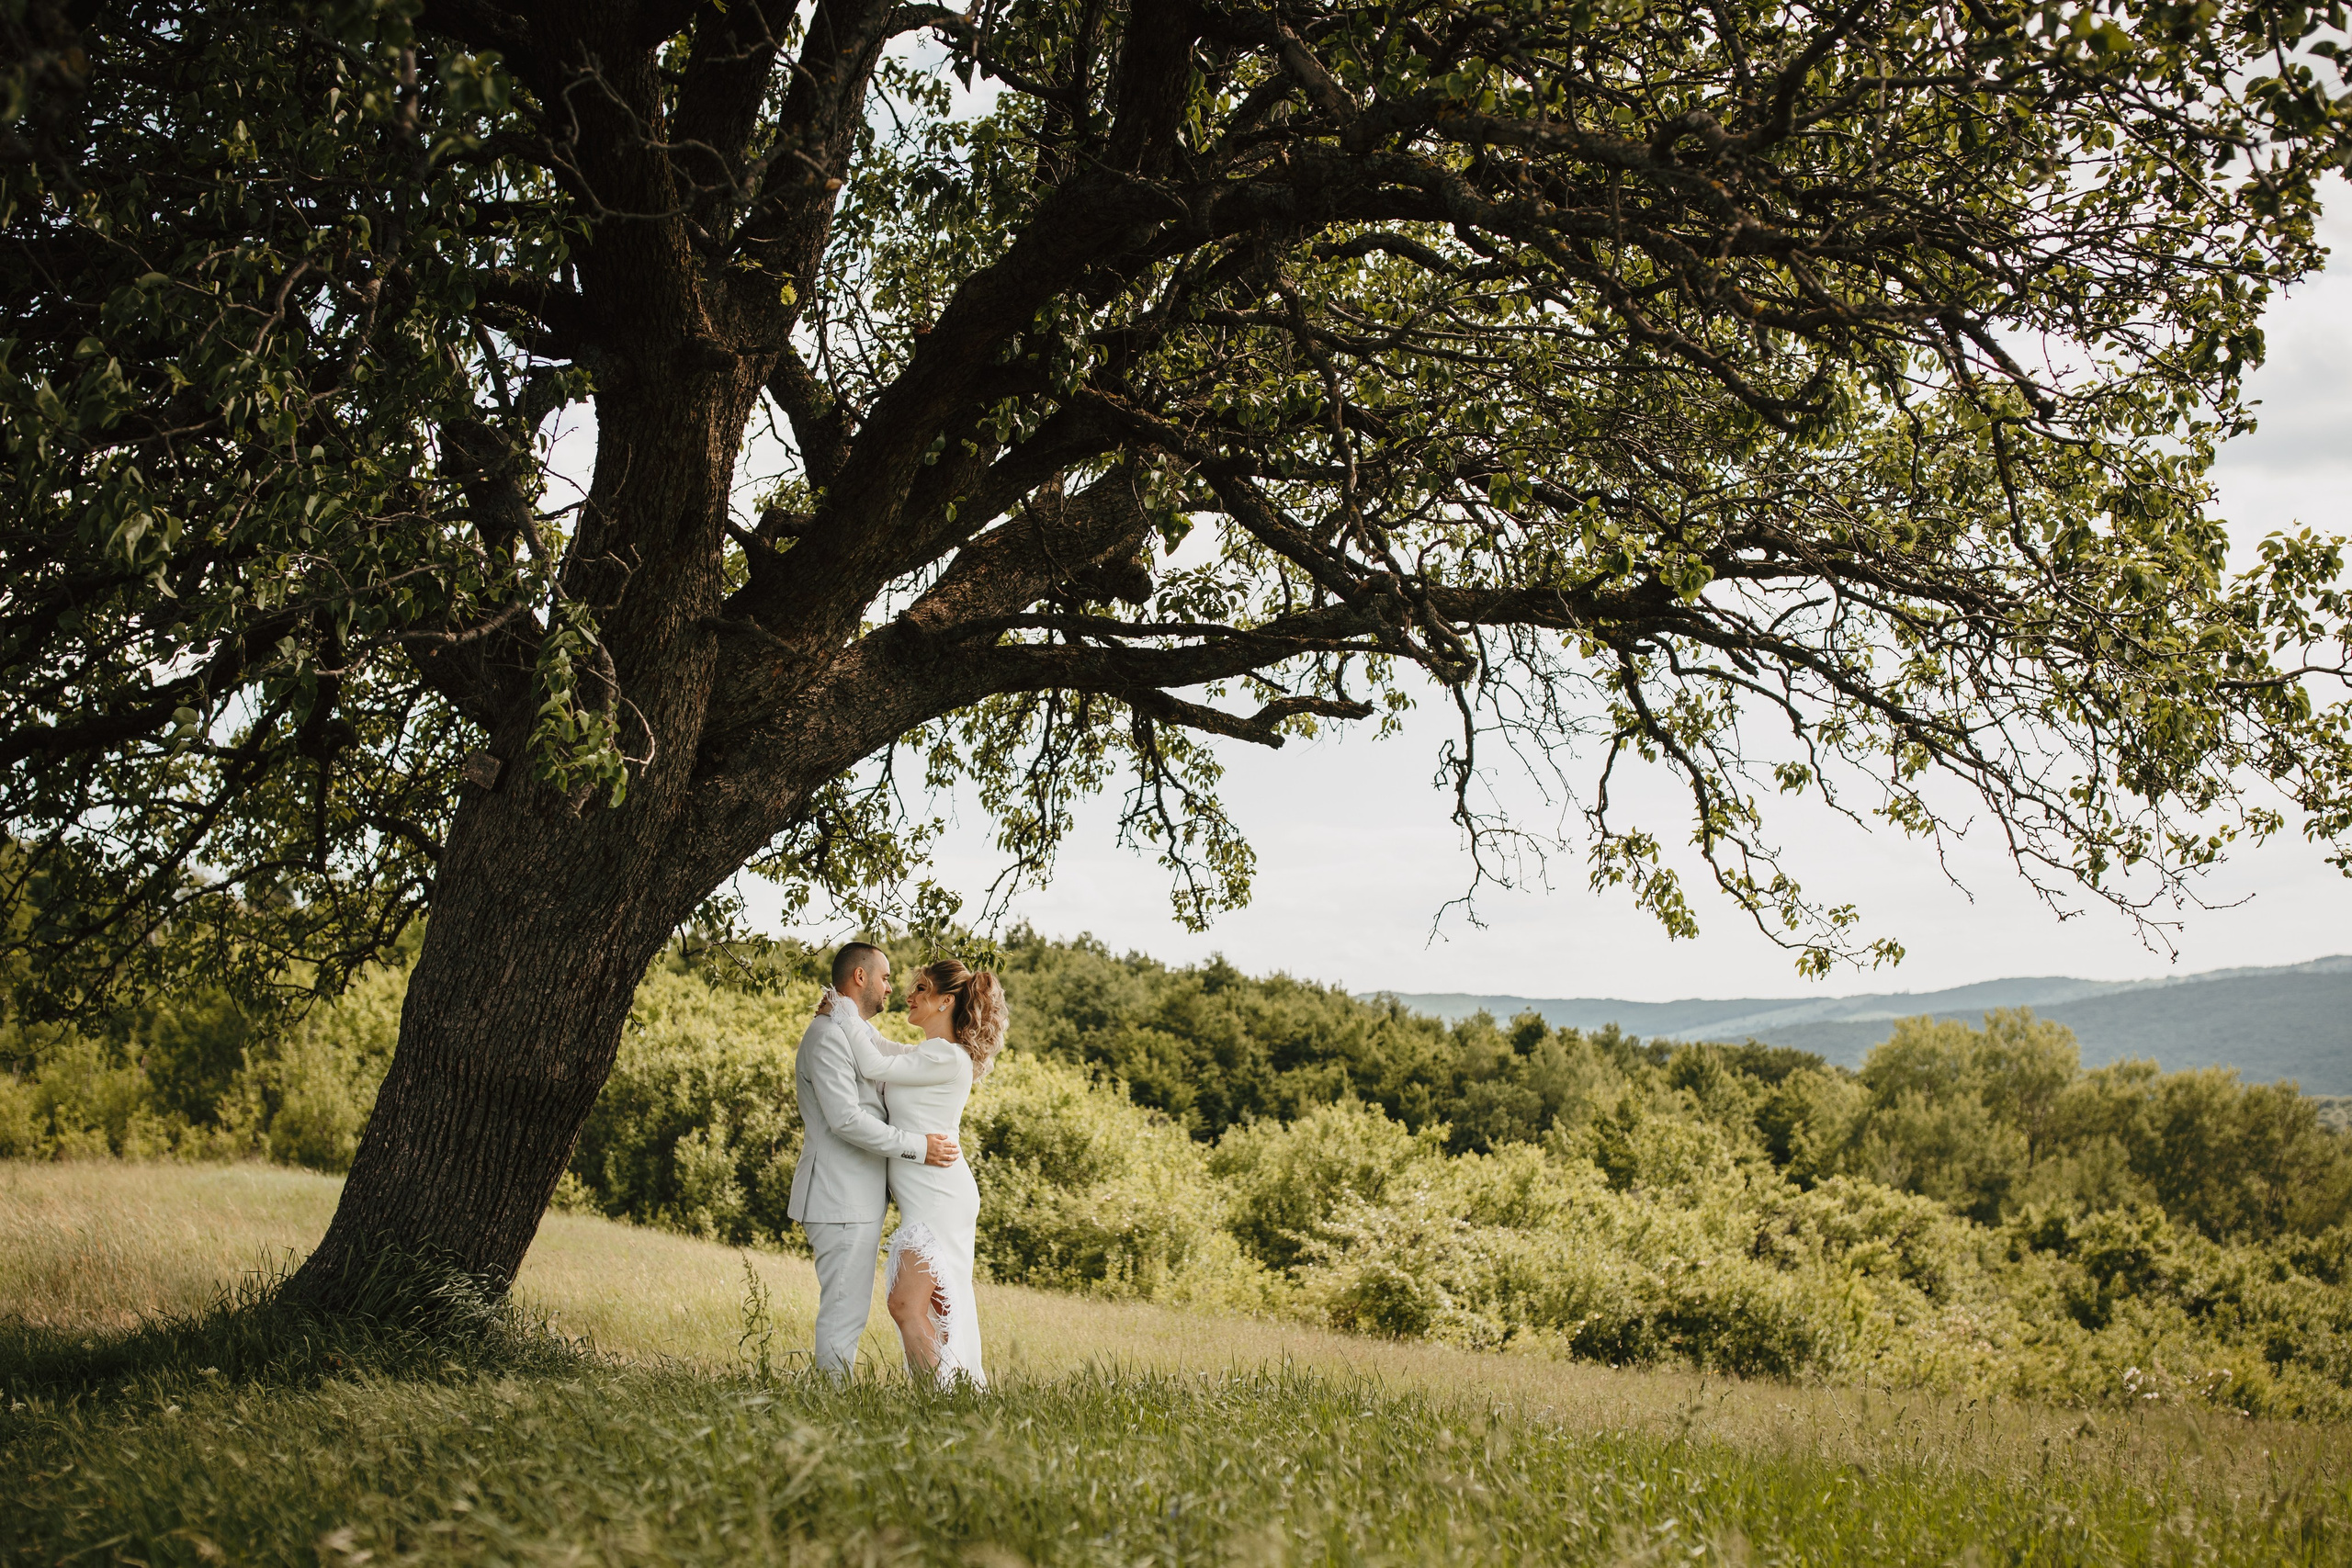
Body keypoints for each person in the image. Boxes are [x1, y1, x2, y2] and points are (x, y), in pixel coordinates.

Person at [819, 956, 1005, 1385]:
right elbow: (882, 1048)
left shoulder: (946, 1056)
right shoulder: (932, 1053)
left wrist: (843, 1011)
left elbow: (873, 1064)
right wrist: (846, 1011)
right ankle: (947, 1397)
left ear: (945, 1001)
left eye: (921, 988)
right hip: (930, 1195)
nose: (909, 996)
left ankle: (942, 1396)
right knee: (932, 1307)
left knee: (907, 1304)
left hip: (940, 1197)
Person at [786, 942, 960, 1379]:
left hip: (854, 1199)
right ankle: (830, 1404)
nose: (891, 988)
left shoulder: (853, 1033)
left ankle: (832, 1399)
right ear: (860, 977)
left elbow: (897, 1056)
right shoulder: (828, 1036)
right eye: (885, 978)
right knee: (844, 1313)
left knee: (849, 1311)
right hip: (839, 1197)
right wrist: (920, 1147)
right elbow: (846, 1120)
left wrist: (957, 1052)